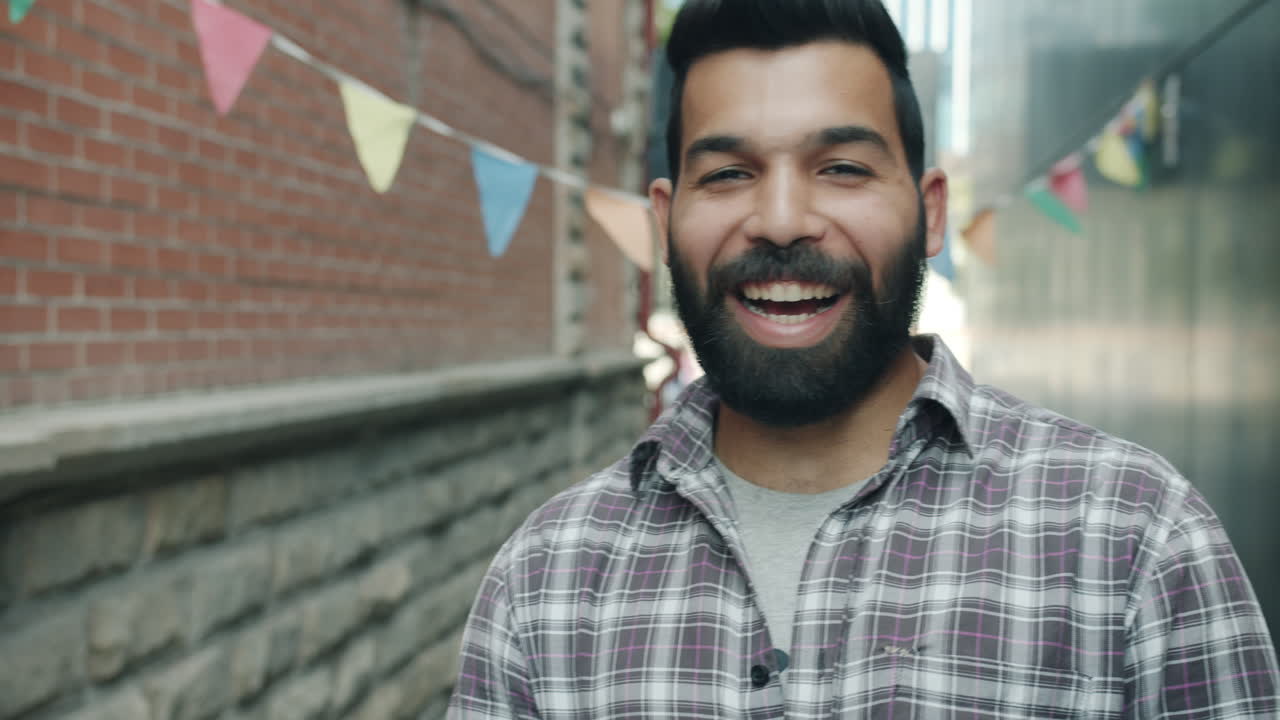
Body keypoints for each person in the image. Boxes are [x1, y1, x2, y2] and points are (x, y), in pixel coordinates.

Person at [449, 1, 1280, 717]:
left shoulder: (1134, 544)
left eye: (841, 168)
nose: (780, 220)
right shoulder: (546, 582)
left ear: (930, 213)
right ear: (665, 223)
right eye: (730, 172)